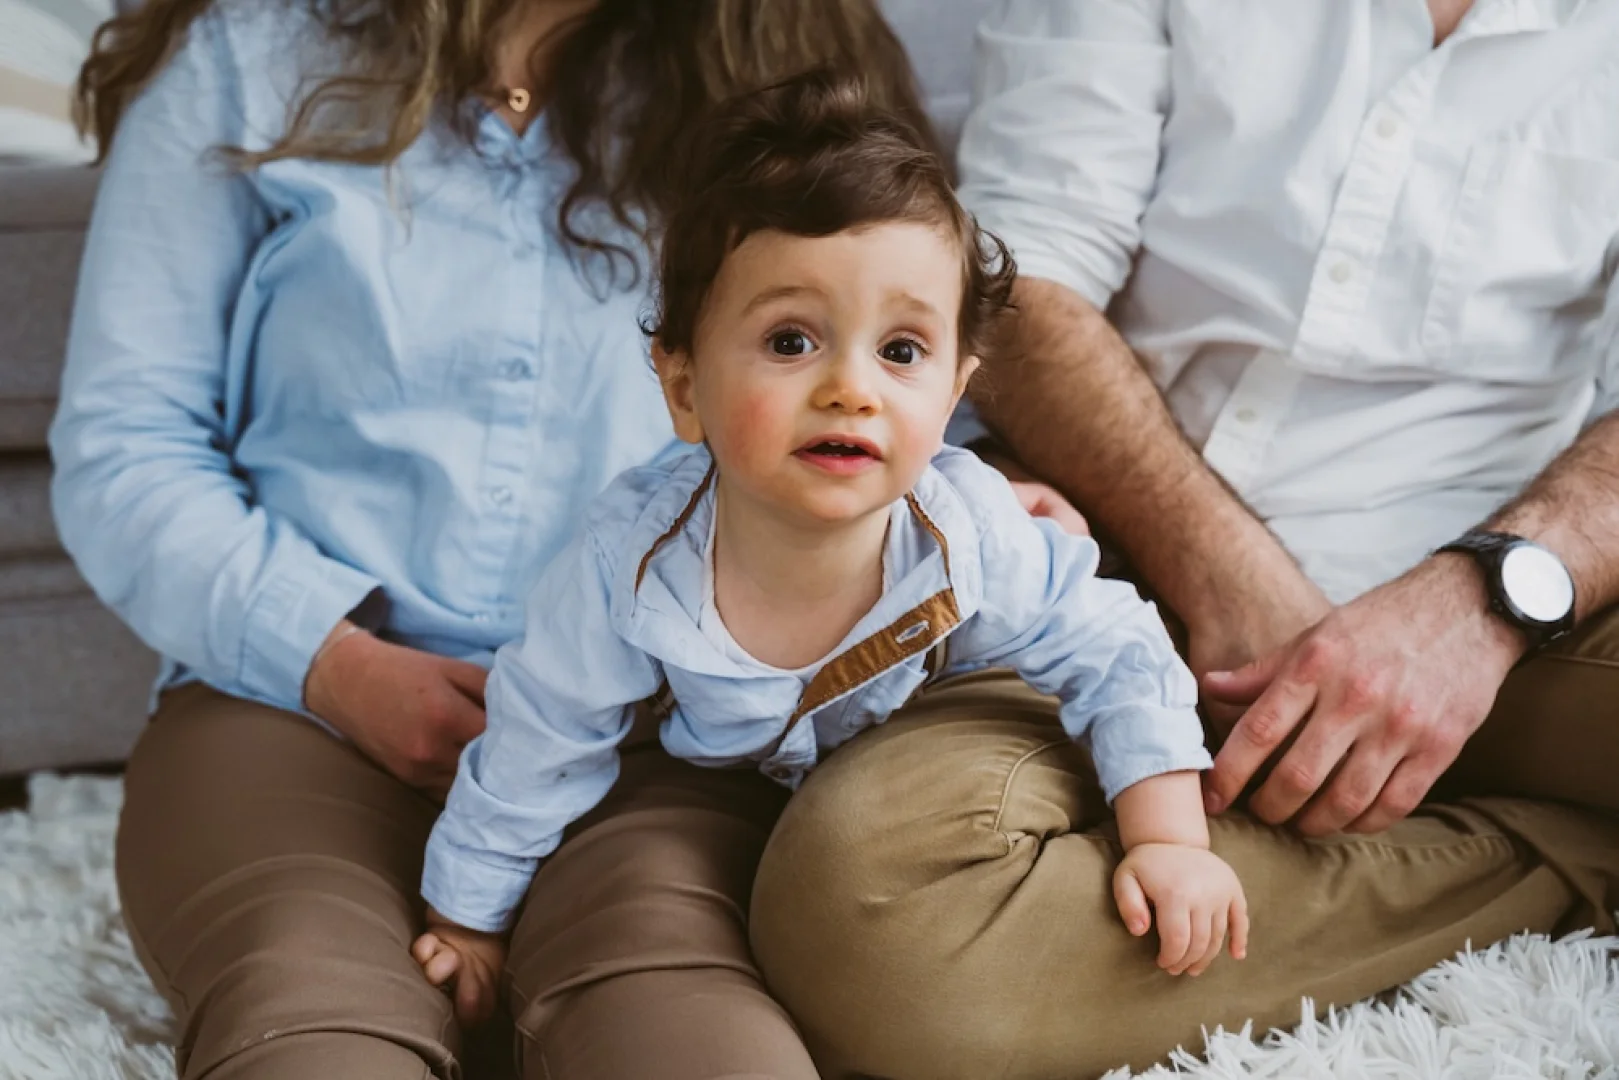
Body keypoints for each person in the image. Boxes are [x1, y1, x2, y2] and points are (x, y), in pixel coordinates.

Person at [52, 1, 938, 1076]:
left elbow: (894, 384)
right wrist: (334, 665)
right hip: (290, 712)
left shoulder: (789, 72)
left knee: (670, 991)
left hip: (665, 730)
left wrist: (995, 503)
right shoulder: (244, 62)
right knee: (306, 1003)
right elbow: (125, 446)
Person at [743, 2, 1619, 1078]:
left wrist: (1480, 601)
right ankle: (1566, 855)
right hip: (1123, 592)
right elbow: (1011, 286)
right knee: (859, 911)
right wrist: (1228, 576)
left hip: (1517, 610)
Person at [408, 71, 1249, 1027]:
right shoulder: (631, 571)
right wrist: (467, 916)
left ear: (951, 392)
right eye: (792, 340)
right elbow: (538, 739)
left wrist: (1169, 838)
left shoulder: (970, 535)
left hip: (961, 716)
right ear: (682, 386)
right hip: (746, 786)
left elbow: (1117, 649)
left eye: (900, 352)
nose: (852, 388)